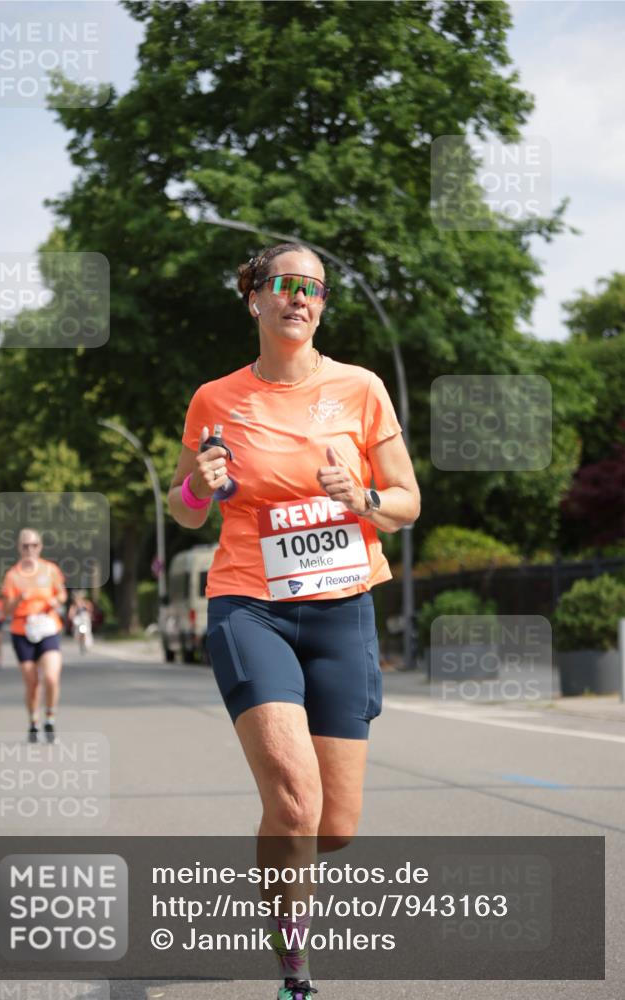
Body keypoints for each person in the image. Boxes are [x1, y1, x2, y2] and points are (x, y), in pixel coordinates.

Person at [168, 243, 421, 1000]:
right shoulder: (215, 399)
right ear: (254, 298)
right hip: (250, 605)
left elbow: (406, 502)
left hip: (342, 611)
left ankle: (280, 866)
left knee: (332, 825)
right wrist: (198, 486)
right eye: (283, 284)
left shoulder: (361, 388)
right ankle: (294, 970)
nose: (299, 296)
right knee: (294, 800)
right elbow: (184, 511)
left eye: (312, 287)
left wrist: (362, 499)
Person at [2, 528, 67, 743]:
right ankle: (33, 722)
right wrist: (19, 599)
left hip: (48, 627)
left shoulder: (50, 570)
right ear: (19, 548)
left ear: (40, 547)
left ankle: (50, 718)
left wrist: (56, 601)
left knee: (51, 677)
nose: (30, 549)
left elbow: (62, 594)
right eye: (25, 546)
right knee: (32, 683)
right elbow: (7, 610)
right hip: (23, 630)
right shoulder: (12, 576)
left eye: (34, 545)